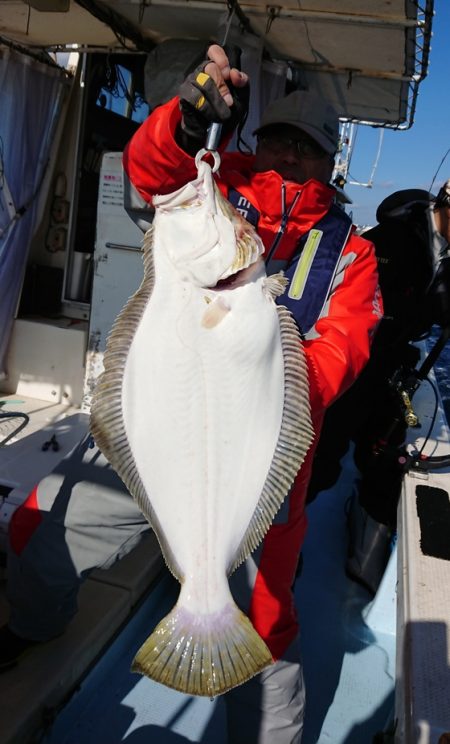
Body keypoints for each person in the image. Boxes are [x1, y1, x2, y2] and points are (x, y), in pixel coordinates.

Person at [0, 44, 381, 743]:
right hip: (159, 440)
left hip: (259, 467)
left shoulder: (350, 251)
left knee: (266, 628)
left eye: (308, 149)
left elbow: (344, 345)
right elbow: (153, 170)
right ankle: (31, 624)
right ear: (256, 145)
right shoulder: (211, 189)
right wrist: (182, 121)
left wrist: (274, 376)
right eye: (279, 142)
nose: (290, 158)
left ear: (329, 164)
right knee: (38, 526)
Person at [306, 181, 450, 592]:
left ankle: (364, 551)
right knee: (321, 457)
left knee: (387, 457)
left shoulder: (442, 252)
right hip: (351, 366)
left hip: (391, 366)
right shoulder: (389, 240)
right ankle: (277, 544)